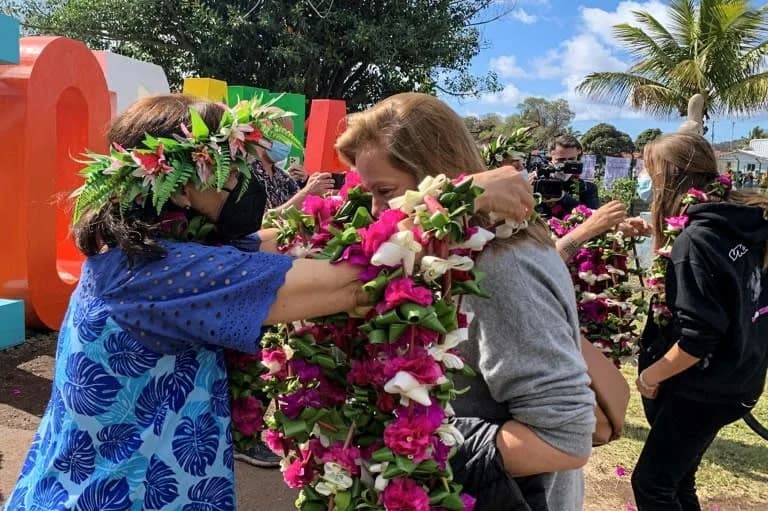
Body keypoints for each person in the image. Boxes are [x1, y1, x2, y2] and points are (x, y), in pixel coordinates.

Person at [2, 94, 536, 511]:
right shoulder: (160, 275)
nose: (243, 181)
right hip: (123, 496)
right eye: (228, 165)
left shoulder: (142, 255)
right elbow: (357, 282)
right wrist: (464, 196)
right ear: (178, 184)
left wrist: (348, 209)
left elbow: (269, 240)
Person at [336, 92, 595, 511]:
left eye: (385, 191)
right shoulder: (455, 250)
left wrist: (419, 445)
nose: (377, 211)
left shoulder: (496, 263)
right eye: (370, 194)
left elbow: (563, 440)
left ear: (433, 176)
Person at [632, 133, 768, 511]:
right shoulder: (744, 221)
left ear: (667, 177)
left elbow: (698, 338)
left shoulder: (696, 241)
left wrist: (649, 377)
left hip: (702, 389)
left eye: (650, 169)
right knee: (678, 481)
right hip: (739, 376)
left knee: (652, 485)